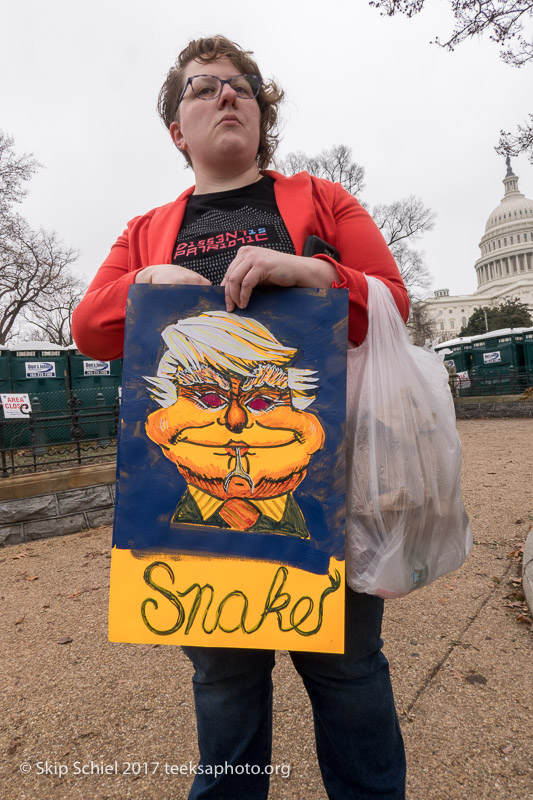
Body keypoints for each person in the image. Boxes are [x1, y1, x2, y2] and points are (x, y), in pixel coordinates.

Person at [72, 35, 408, 800]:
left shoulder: (319, 199)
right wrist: (145, 284)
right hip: (190, 512)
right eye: (204, 87)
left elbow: (391, 298)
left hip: (324, 490)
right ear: (176, 131)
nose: (228, 95)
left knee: (349, 669)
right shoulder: (145, 230)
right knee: (223, 682)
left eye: (243, 87)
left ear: (261, 117)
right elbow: (90, 327)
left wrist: (315, 271)